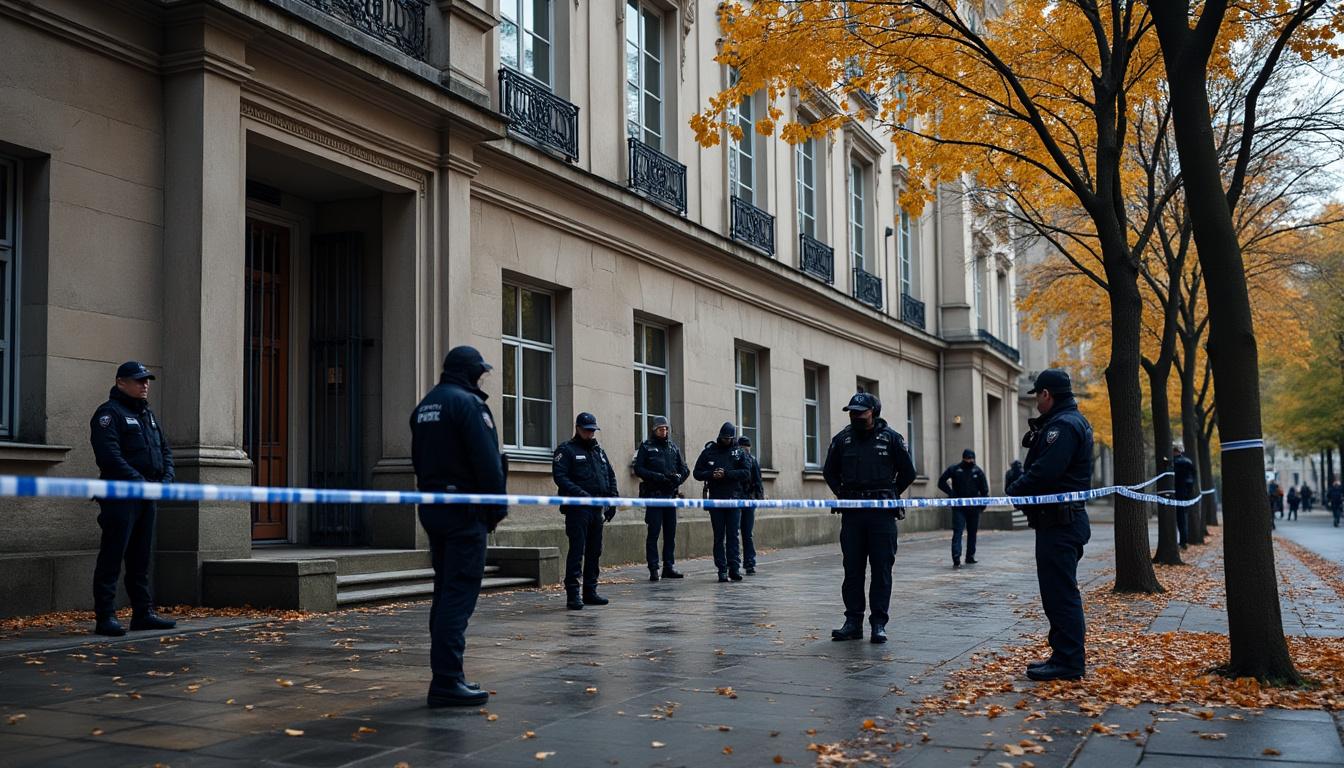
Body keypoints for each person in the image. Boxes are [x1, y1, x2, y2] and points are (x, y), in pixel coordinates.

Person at [410, 346, 506, 708]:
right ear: (469, 373)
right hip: (466, 512)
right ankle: (447, 680)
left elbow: (419, 460)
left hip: (433, 508)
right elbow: (488, 464)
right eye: (479, 374)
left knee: (445, 591)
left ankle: (446, 675)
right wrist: (495, 511)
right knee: (458, 594)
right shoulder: (468, 405)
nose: (482, 380)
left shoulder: (426, 406)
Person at [1006, 368, 1093, 682]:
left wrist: (1014, 490)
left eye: (1038, 396)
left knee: (1060, 595)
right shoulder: (1067, 421)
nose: (1036, 403)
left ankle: (1069, 661)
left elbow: (1046, 471)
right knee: (1056, 594)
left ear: (1046, 394)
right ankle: (1062, 655)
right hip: (1058, 521)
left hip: (1060, 523)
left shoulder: (1063, 426)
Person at [89, 361, 177, 638]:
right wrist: (141, 483)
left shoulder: (147, 415)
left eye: (146, 380)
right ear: (120, 383)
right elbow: (109, 456)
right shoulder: (108, 414)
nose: (145, 384)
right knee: (112, 556)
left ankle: (143, 613)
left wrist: (165, 481)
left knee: (140, 558)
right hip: (121, 496)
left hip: (147, 496)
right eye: (138, 380)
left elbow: (165, 451)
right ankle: (105, 617)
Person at [822, 392, 917, 645]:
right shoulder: (842, 439)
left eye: (860, 412)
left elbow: (908, 472)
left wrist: (891, 493)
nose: (855, 416)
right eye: (852, 412)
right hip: (853, 514)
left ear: (873, 412)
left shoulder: (891, 438)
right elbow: (829, 471)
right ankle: (853, 622)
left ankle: (878, 624)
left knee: (881, 569)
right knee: (852, 570)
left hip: (881, 515)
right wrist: (841, 493)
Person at [553, 412, 619, 610]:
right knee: (577, 550)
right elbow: (560, 477)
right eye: (587, 430)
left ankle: (590, 591)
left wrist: (612, 500)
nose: (590, 434)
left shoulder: (598, 451)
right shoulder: (567, 450)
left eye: (592, 431)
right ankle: (573, 593)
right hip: (577, 509)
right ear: (578, 429)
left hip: (596, 509)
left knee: (594, 550)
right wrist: (580, 494)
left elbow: (610, 476)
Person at [633, 416, 690, 581]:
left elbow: (685, 469)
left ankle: (668, 567)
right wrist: (657, 477)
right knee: (654, 533)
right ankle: (653, 568)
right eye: (660, 429)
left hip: (670, 496)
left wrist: (677, 478)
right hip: (654, 496)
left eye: (665, 429)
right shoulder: (646, 447)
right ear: (654, 430)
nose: (663, 431)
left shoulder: (673, 447)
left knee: (670, 534)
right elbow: (639, 469)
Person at [693, 422, 751, 582]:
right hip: (716, 499)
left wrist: (727, 474)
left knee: (733, 535)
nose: (727, 441)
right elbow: (697, 473)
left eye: (729, 438)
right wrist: (711, 474)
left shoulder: (738, 452)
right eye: (724, 438)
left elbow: (746, 472)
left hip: (733, 499)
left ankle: (734, 568)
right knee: (719, 536)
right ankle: (722, 569)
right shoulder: (710, 451)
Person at [938, 449, 990, 568]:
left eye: (972, 459)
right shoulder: (955, 469)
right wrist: (951, 493)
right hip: (959, 507)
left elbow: (984, 490)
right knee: (958, 532)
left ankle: (970, 556)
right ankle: (956, 557)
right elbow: (941, 482)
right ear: (963, 458)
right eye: (968, 458)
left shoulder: (977, 471)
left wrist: (982, 505)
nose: (970, 461)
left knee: (972, 532)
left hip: (974, 508)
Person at [738, 435, 765, 574]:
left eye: (747, 449)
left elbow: (758, 480)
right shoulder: (735, 460)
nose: (746, 452)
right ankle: (736, 563)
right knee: (735, 533)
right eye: (743, 449)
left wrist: (759, 497)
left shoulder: (753, 461)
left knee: (747, 533)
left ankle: (749, 562)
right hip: (736, 500)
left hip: (748, 499)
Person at [1172, 445, 1197, 548]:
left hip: (1179, 492)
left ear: (1175, 452)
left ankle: (1183, 542)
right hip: (1187, 492)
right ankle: (1184, 540)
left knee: (1180, 518)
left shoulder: (1175, 462)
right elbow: (1194, 475)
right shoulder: (1188, 461)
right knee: (1183, 516)